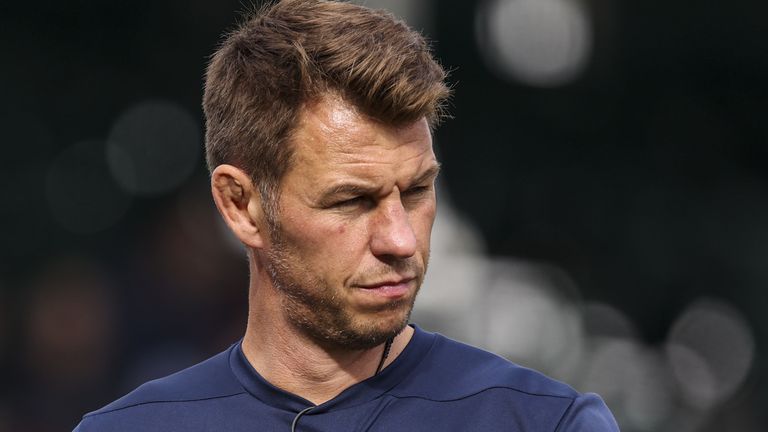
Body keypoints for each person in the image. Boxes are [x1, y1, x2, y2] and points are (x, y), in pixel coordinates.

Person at [75, 0, 620, 430]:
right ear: (241, 206)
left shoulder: (543, 422)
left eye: (417, 191)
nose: (400, 240)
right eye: (352, 201)